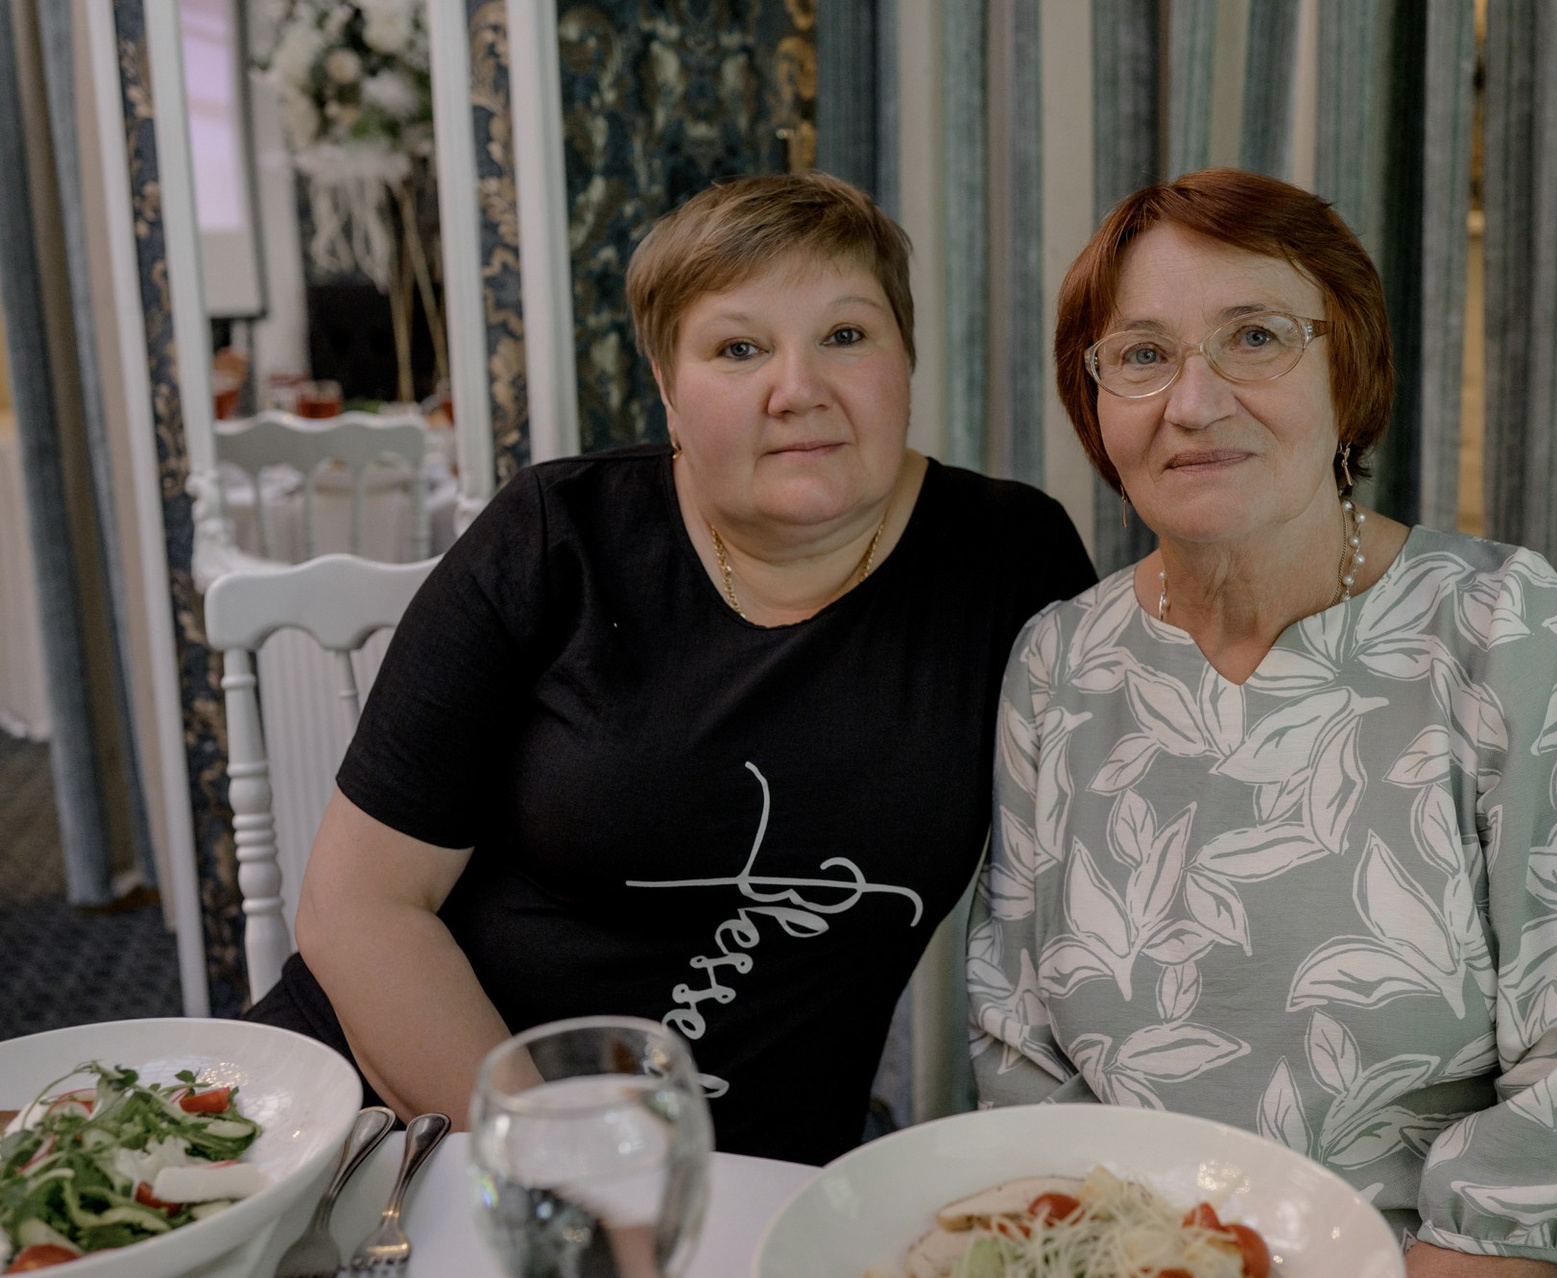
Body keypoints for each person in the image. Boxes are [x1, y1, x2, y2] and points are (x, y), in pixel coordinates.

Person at [250, 172, 1096, 1165]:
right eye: (739, 349)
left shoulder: (1008, 560)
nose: (799, 389)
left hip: (742, 1183)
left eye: (846, 334)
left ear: (905, 355)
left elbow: (1103, 883)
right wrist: (560, 1168)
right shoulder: (553, 539)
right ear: (666, 387)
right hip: (409, 1121)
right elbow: (357, 907)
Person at [966, 169, 1557, 1278]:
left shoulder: (1498, 626)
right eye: (1141, 355)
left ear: (1347, 369)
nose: (1193, 402)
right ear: (1096, 404)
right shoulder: (1056, 661)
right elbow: (1019, 1042)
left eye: (1255, 338)